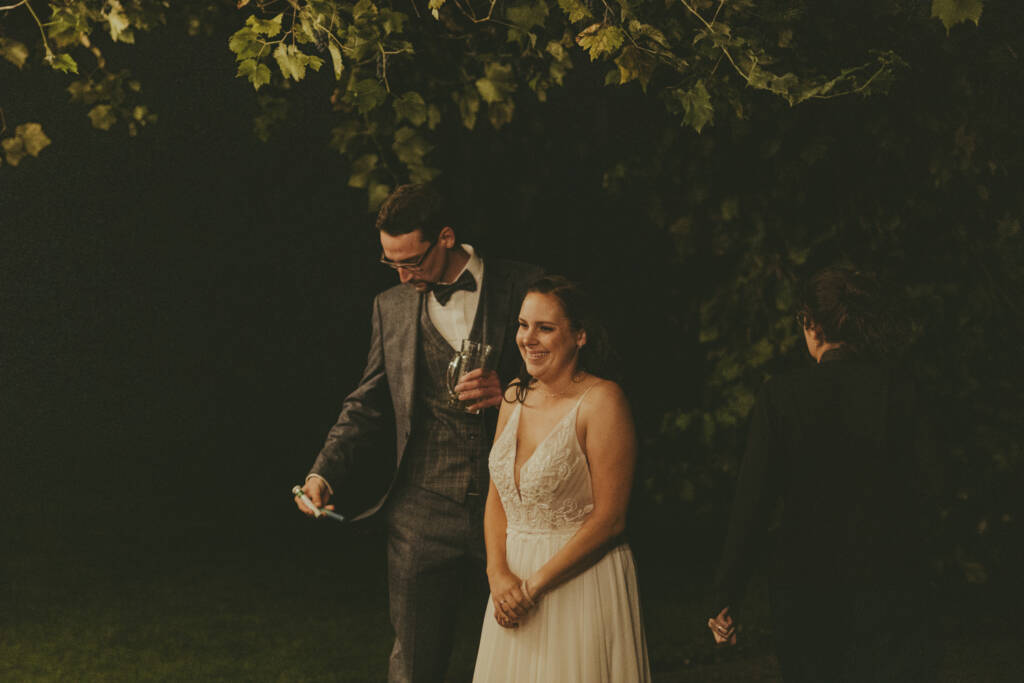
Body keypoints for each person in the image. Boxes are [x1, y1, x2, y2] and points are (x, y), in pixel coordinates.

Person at [295, 183, 542, 683]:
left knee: (532, 652)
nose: (403, 275)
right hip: (421, 511)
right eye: (391, 264)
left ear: (446, 237)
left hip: (515, 505)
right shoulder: (389, 307)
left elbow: (577, 380)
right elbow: (366, 403)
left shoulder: (526, 285)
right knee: (413, 665)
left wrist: (513, 392)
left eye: (411, 262)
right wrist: (323, 471)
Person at [708, 266, 938, 682]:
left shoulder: (781, 395)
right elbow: (926, 490)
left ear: (811, 325)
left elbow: (752, 502)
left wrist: (728, 593)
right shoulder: (900, 390)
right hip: (888, 581)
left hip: (805, 586)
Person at [472, 276, 651, 682]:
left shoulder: (602, 401)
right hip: (510, 583)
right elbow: (498, 498)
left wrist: (532, 588)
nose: (528, 339)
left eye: (545, 328)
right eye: (523, 325)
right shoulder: (514, 394)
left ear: (580, 335)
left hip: (577, 583)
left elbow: (610, 519)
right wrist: (497, 575)